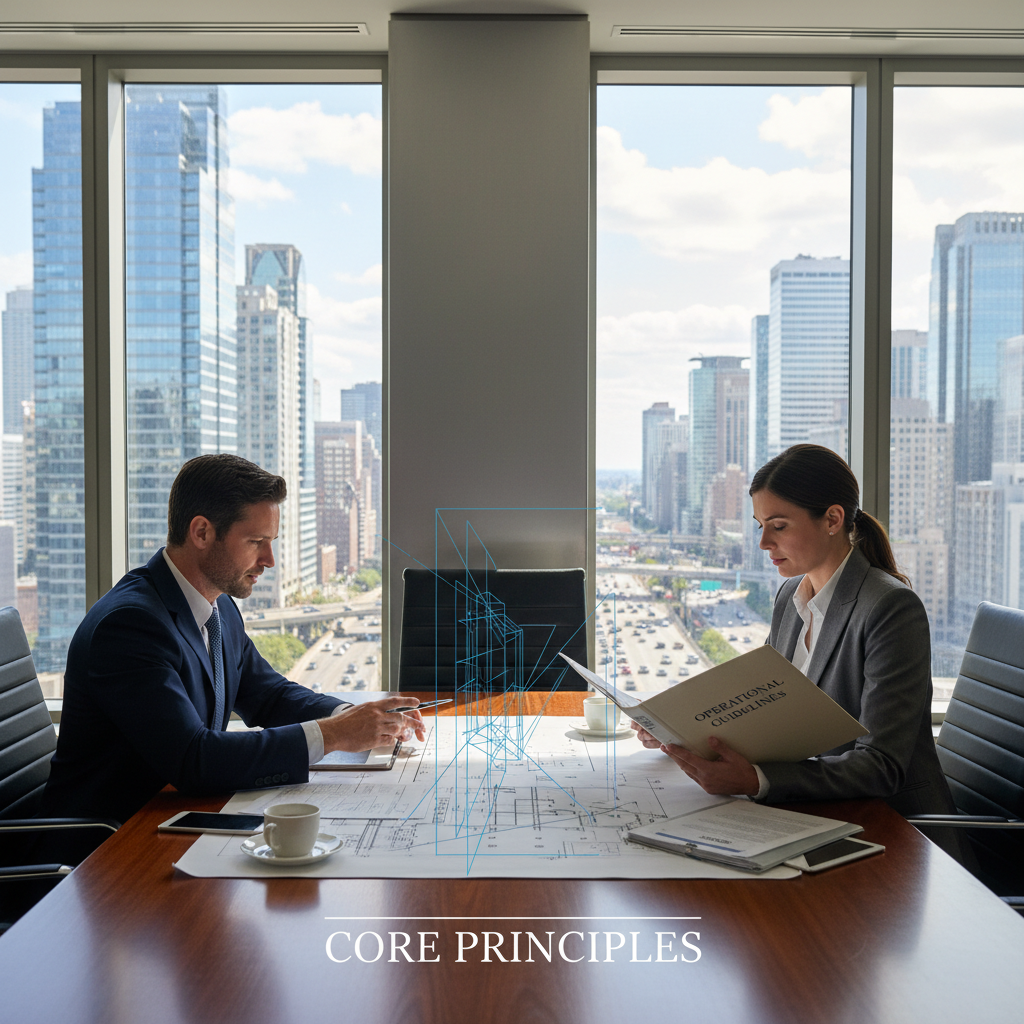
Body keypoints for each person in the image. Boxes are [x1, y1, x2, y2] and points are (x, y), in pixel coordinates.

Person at [42, 454, 425, 826]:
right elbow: (195, 760)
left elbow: (269, 695)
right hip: (104, 849)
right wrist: (334, 735)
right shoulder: (130, 625)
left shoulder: (218, 607)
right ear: (202, 532)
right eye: (257, 541)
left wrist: (353, 718)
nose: (269, 559)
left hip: (167, 818)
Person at [632, 443, 955, 816]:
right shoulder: (790, 595)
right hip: (811, 811)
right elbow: (762, 711)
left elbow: (881, 766)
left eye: (778, 526)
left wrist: (756, 781)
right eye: (760, 526)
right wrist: (681, 732)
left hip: (891, 827)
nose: (763, 543)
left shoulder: (890, 607)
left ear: (833, 520)